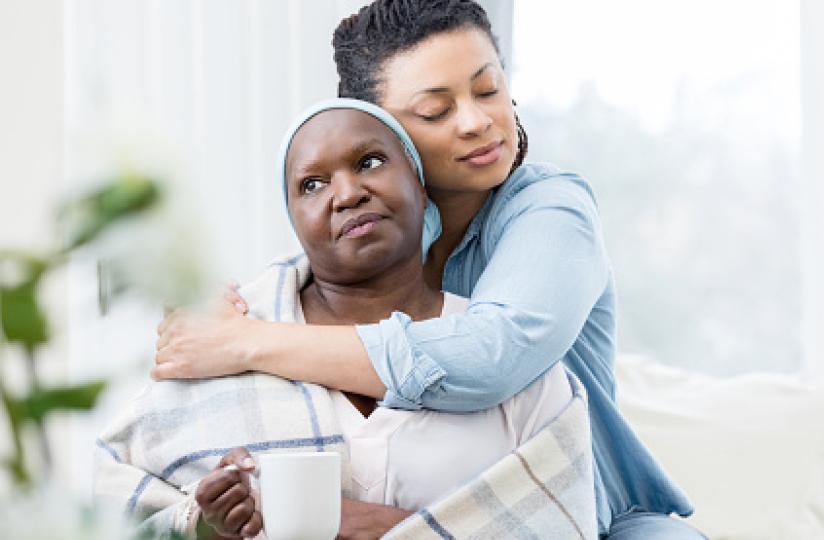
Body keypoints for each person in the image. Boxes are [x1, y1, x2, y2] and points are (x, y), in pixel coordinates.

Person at [154, 1, 703, 537]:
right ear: (380, 130)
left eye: (488, 89)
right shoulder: (370, 238)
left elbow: (493, 354)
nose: (477, 121)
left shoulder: (550, 209)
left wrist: (244, 342)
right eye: (436, 111)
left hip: (597, 519)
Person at [95, 99, 589, 539]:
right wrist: (206, 523)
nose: (347, 194)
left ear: (420, 186)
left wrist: (392, 530)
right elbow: (114, 513)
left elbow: (564, 518)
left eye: (370, 162)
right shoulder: (212, 349)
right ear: (293, 220)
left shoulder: (515, 365)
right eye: (312, 184)